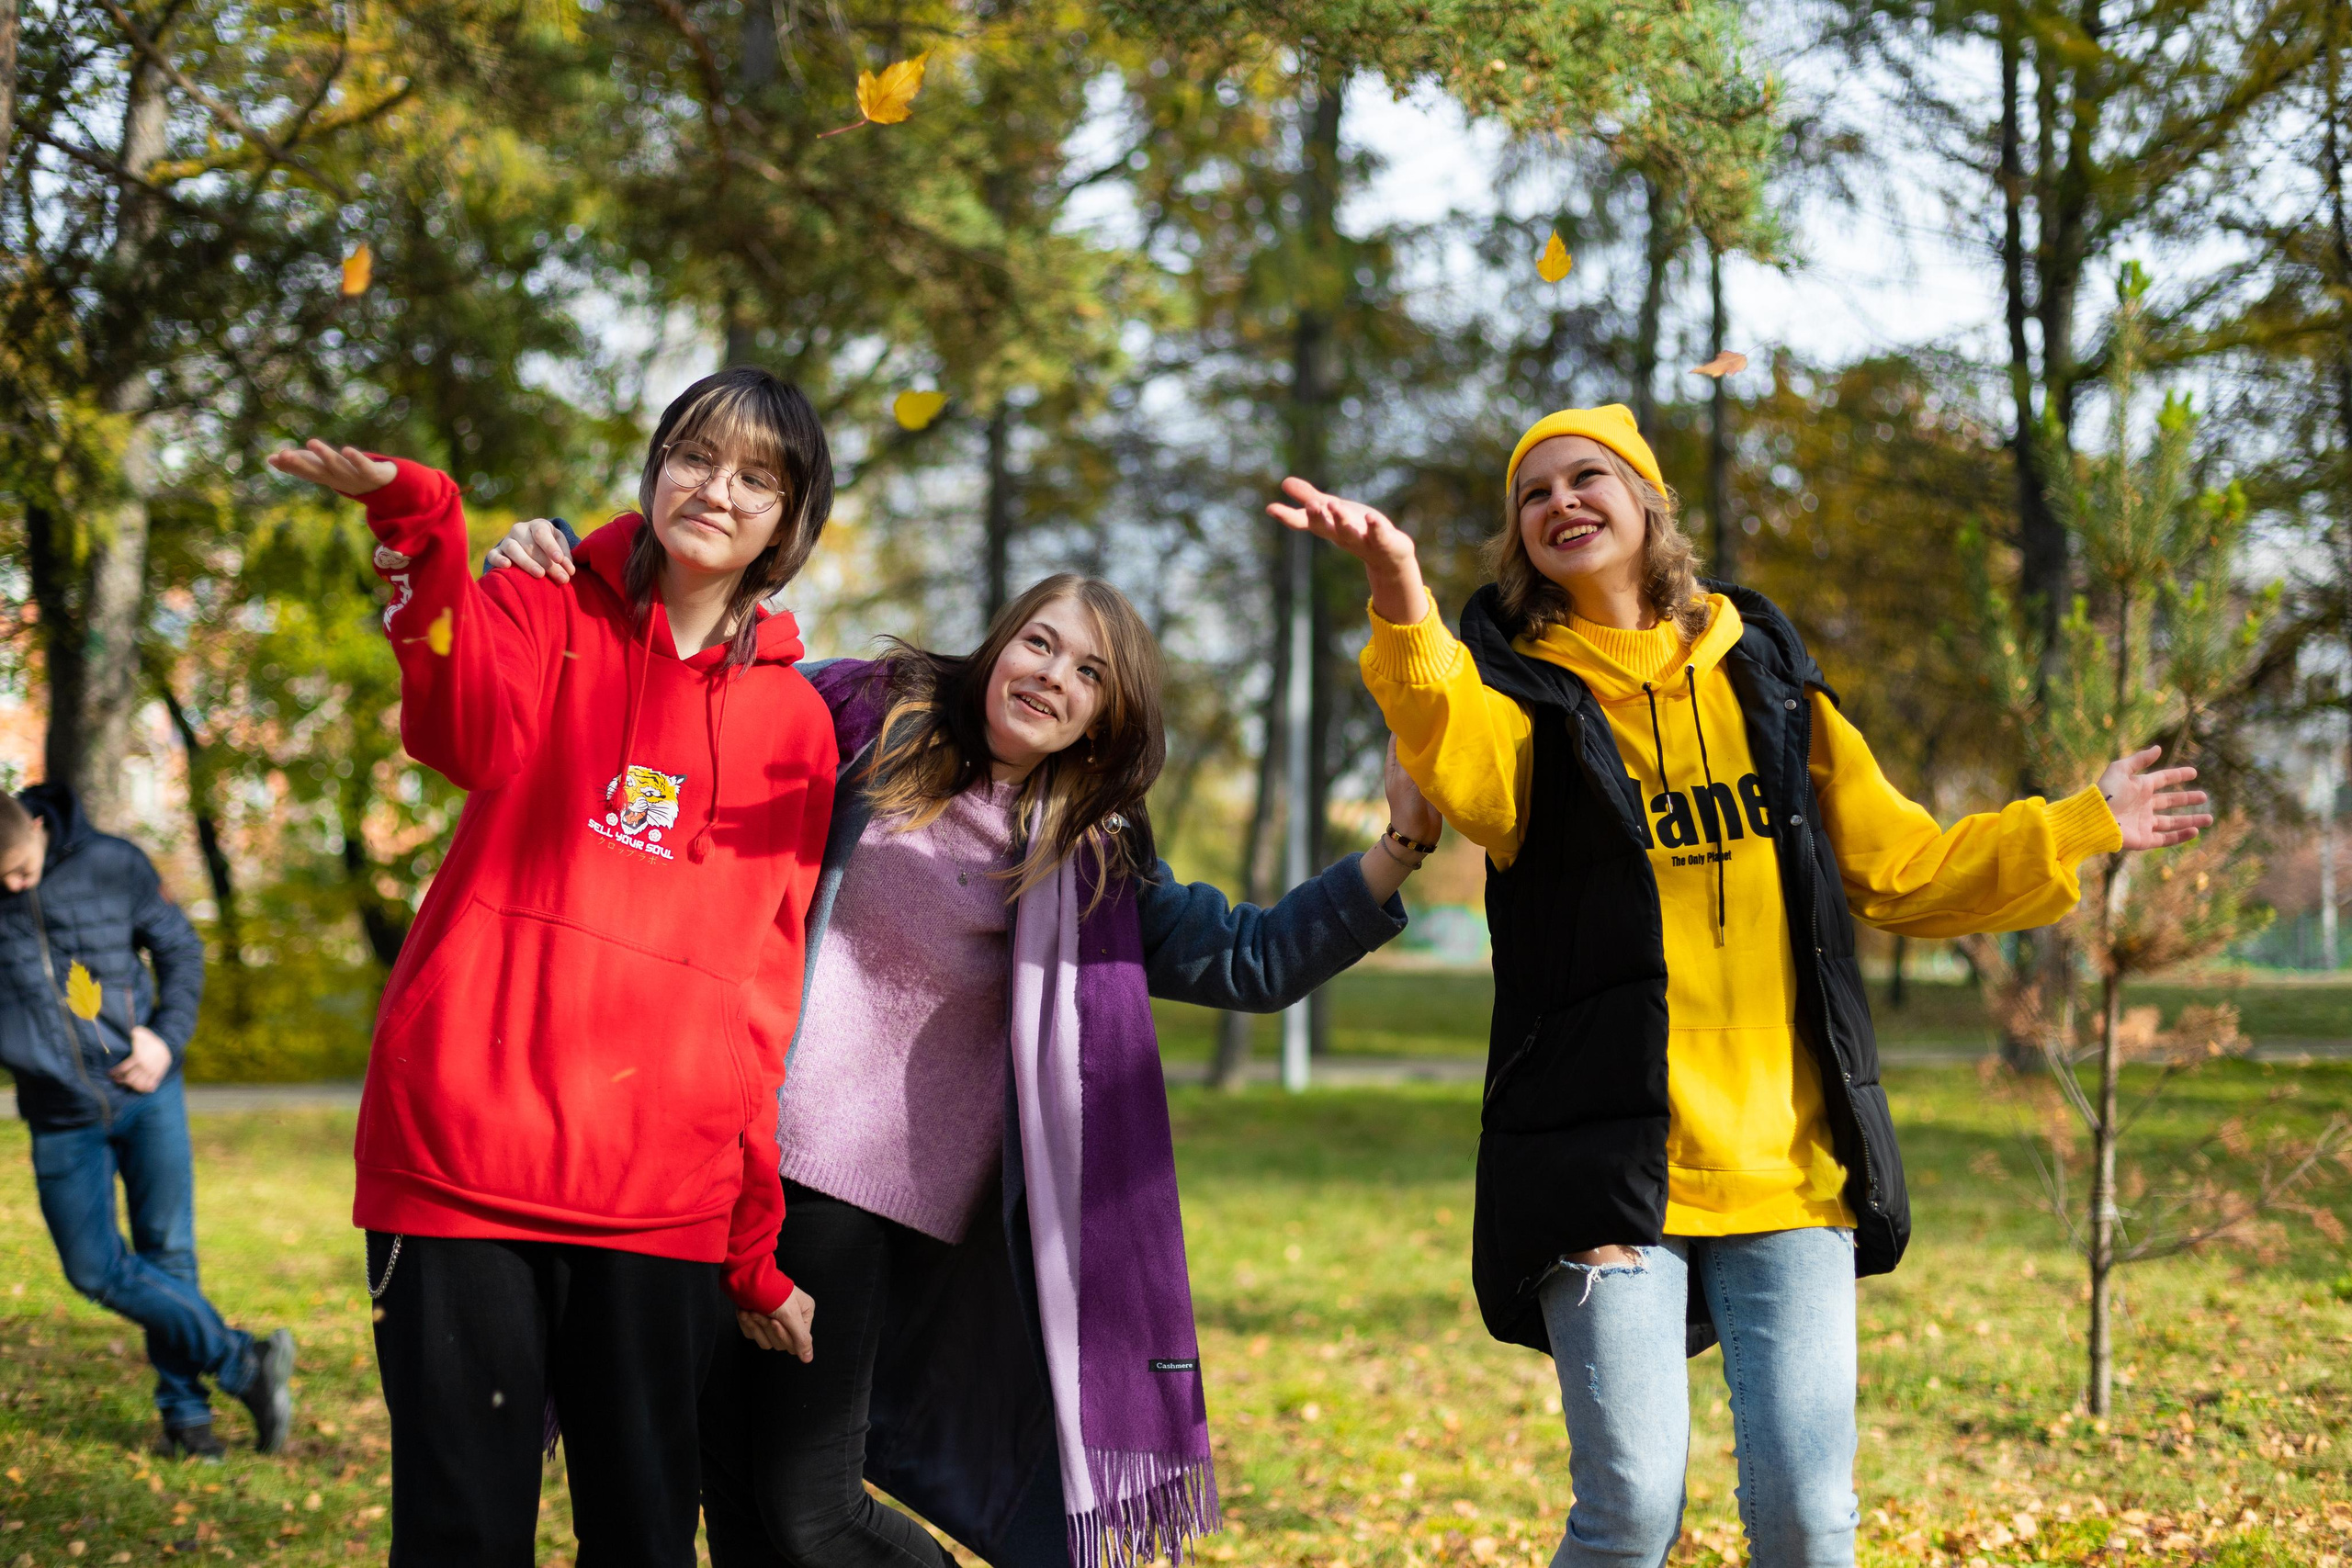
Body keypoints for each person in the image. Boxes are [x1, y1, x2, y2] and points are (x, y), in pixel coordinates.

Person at [1268, 403, 2212, 1568]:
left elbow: (1901, 866)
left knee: (1812, 1525)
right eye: (1534, 492)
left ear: (1648, 502)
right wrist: (1398, 588)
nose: (1561, 501)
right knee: (1628, 1517)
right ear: (1520, 537)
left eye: (1587, 477)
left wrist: (2081, 823)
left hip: (1787, 1164)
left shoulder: (1766, 677)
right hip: (1604, 1174)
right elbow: (1450, 740)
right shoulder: (1519, 698)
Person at [485, 523, 1442, 1568]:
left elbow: (1246, 960)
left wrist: (1396, 850)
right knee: (738, 1499)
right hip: (718, 1147)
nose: (1052, 676)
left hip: (859, 1195)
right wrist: (582, 579)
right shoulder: (866, 716)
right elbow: (707, 691)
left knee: (810, 1511)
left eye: (1087, 673)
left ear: (1103, 718)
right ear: (1000, 642)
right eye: (1041, 643)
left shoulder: (1089, 856)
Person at [266, 365, 840, 1567]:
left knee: (641, 1531)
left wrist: (748, 1234)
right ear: (655, 466)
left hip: (659, 1201)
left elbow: (760, 992)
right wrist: (423, 525)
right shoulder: (542, 601)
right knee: (462, 1528)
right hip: (462, 1159)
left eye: (756, 477)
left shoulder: (796, 726)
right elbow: (454, 726)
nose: (716, 490)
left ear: (790, 521)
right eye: (694, 454)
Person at [0, 786, 295, 1460]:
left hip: (147, 1093)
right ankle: (247, 1365)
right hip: (60, 1114)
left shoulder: (114, 863)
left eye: (20, 869)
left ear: (38, 828)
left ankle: (189, 1426)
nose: (14, 886)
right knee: (92, 1268)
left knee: (167, 1251)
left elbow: (181, 952)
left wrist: (166, 1036)